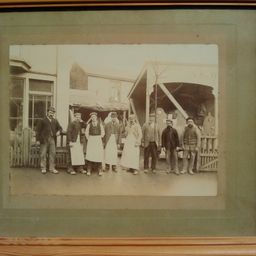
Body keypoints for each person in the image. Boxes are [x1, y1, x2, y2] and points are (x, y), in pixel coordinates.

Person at [36, 106, 62, 174]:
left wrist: (59, 131)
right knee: (43, 154)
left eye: (53, 113)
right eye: (50, 112)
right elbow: (38, 131)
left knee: (52, 154)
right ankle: (43, 168)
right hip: (44, 139)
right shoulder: (42, 120)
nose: (51, 114)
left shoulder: (55, 120)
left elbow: (60, 128)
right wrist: (38, 140)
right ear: (47, 112)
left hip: (52, 139)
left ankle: (52, 168)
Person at [85, 112, 105, 176]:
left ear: (96, 117)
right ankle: (89, 169)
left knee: (98, 154)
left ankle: (100, 169)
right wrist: (89, 138)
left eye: (94, 117)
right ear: (91, 118)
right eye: (92, 117)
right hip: (91, 140)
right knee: (90, 154)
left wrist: (99, 137)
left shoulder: (100, 124)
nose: (93, 118)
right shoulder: (89, 125)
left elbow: (103, 133)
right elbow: (86, 133)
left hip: (98, 140)